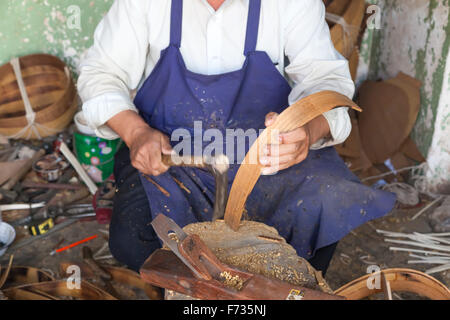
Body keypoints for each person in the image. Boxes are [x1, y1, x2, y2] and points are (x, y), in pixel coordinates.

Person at [78, 0, 396, 275]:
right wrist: (136, 133)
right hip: (171, 156)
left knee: (327, 203)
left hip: (268, 156)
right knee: (135, 235)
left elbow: (327, 82)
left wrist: (307, 131)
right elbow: (100, 75)